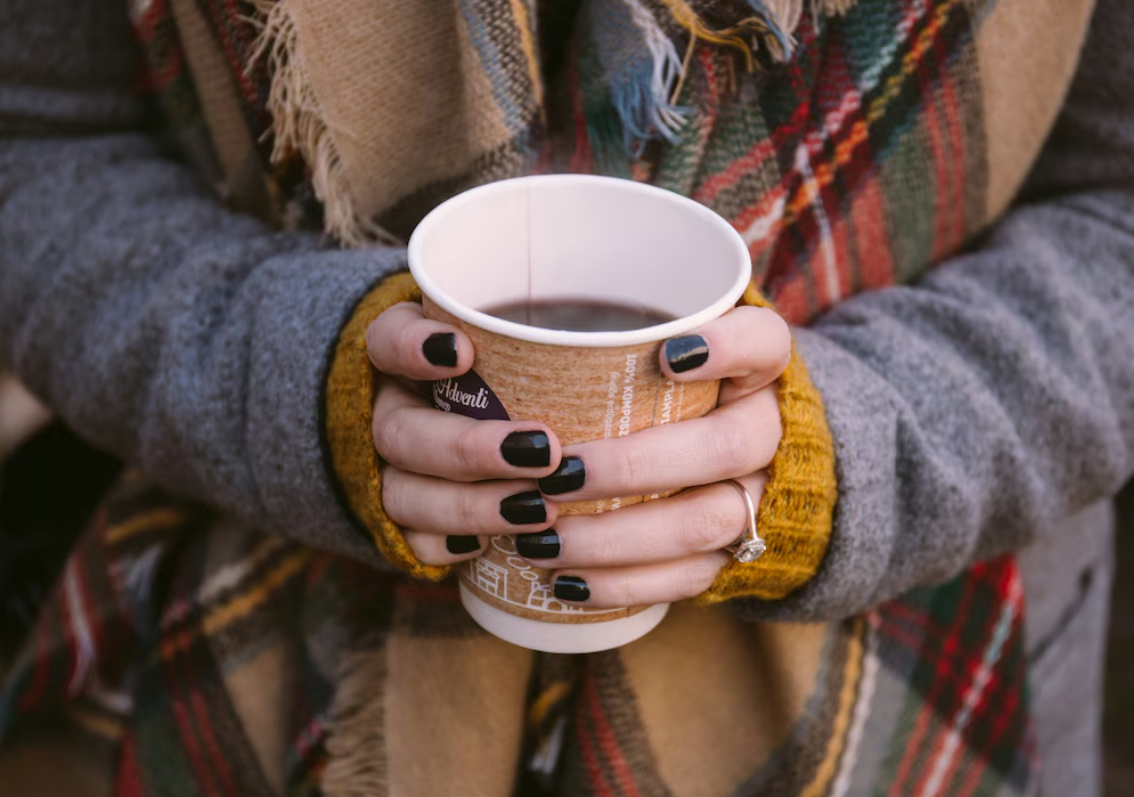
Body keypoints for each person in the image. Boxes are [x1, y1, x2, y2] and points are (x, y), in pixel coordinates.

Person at [0, 0, 1131, 795]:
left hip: (908, 694)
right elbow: (34, 141)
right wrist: (303, 388)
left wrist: (853, 451)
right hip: (262, 685)